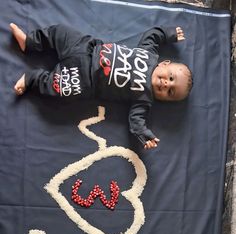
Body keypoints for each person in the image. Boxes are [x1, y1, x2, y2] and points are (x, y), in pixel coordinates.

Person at [10, 23, 192, 150]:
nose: (166, 84)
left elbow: (137, 122)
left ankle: (31, 79)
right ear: (164, 64)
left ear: (165, 99)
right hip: (87, 50)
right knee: (61, 32)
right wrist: (169, 34)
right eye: (170, 77)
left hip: (84, 81)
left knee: (59, 89)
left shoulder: (144, 99)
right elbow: (153, 35)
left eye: (170, 92)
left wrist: (145, 135)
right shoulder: (149, 53)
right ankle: (30, 42)